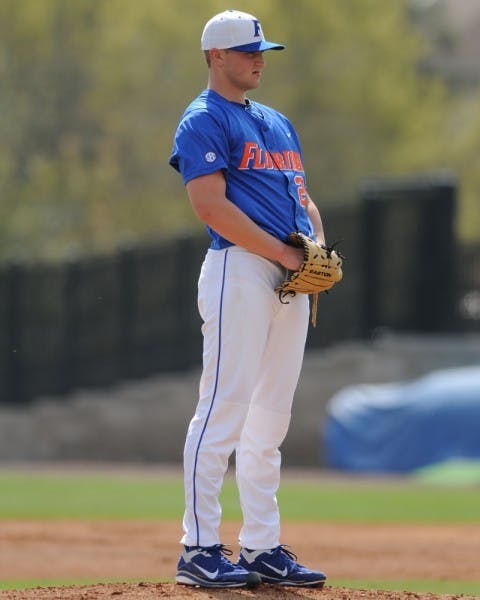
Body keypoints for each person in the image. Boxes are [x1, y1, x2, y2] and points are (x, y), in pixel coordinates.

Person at [169, 9, 328, 589]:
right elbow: (210, 207)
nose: (259, 58)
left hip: (287, 279)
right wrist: (285, 255)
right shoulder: (203, 119)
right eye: (246, 51)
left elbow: (301, 200)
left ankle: (261, 545)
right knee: (222, 408)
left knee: (271, 419)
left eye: (263, 50)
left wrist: (315, 249)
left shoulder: (277, 122)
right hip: (238, 269)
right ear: (215, 56)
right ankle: (199, 547)